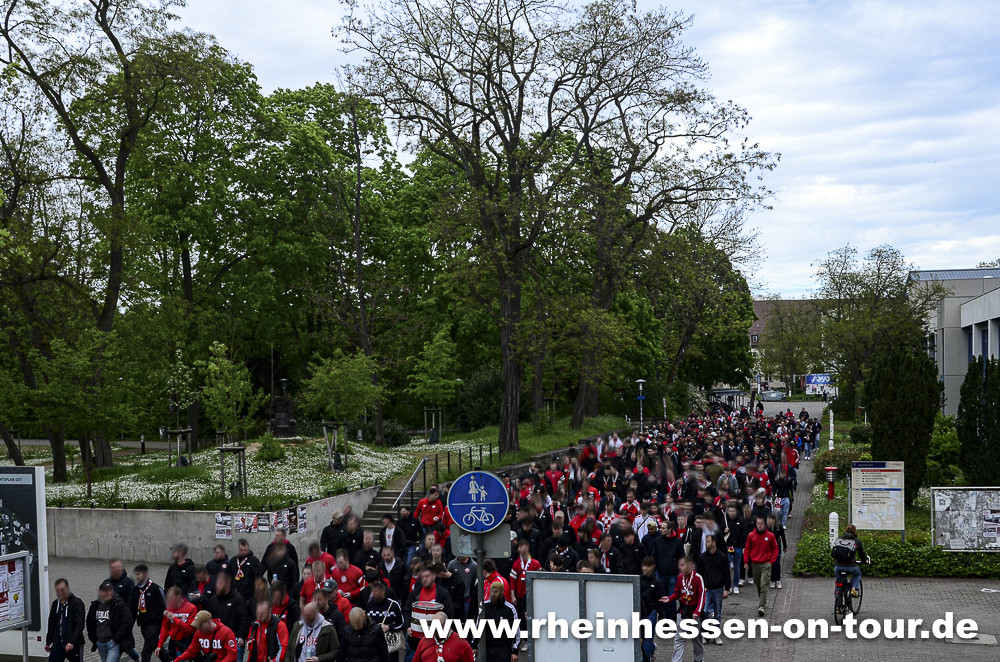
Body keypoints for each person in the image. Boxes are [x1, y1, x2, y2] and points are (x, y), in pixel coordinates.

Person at [658, 556, 704, 662]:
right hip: (682, 612)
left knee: (697, 641)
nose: (680, 567)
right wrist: (669, 599)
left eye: (682, 565)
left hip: (694, 614)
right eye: (680, 565)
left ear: (690, 565)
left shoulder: (698, 578)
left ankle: (699, 660)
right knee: (679, 639)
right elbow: (678, 592)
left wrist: (697, 612)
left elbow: (702, 596)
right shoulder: (680, 578)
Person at [206, 571, 250, 662]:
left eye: (219, 583)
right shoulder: (213, 600)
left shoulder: (238, 600)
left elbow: (244, 619)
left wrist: (241, 636)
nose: (217, 586)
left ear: (227, 584)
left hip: (234, 641)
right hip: (216, 642)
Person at [87, 581, 135, 662]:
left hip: (113, 643)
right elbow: (89, 623)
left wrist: (116, 638)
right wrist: (94, 639)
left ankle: (136, 657)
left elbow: (127, 622)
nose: (108, 593)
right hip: (100, 643)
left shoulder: (119, 605)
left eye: (110, 591)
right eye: (105, 591)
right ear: (100, 592)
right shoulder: (95, 606)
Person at [695, 536, 729, 645]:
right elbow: (699, 574)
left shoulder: (722, 557)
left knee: (717, 613)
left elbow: (726, 573)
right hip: (707, 589)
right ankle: (706, 633)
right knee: (704, 612)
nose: (706, 543)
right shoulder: (702, 557)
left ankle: (716, 634)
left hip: (718, 589)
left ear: (714, 542)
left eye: (708, 541)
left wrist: (727, 588)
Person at [743, 516, 779, 616]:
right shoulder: (751, 535)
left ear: (765, 524)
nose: (759, 525)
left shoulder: (770, 536)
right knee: (758, 584)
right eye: (758, 523)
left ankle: (761, 605)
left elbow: (775, 549)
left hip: (766, 563)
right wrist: (746, 562)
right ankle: (762, 599)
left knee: (764, 585)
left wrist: (771, 561)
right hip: (754, 564)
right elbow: (747, 549)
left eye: (761, 523)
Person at [474, 581, 519, 662]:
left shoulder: (509, 609)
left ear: (502, 592)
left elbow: (516, 631)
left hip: (504, 650)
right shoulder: (484, 607)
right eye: (491, 592)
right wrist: (474, 645)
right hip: (487, 650)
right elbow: (478, 627)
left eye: (496, 592)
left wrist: (515, 651)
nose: (493, 594)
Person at [107, 557, 140, 662]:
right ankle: (136, 657)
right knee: (121, 645)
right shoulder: (107, 583)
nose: (116, 569)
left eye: (118, 567)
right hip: (111, 622)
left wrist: (128, 620)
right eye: (113, 567)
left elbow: (132, 604)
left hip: (124, 621)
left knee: (124, 645)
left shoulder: (128, 583)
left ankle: (136, 657)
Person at [46, 578, 86, 662]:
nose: (60, 593)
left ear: (67, 588)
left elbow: (80, 624)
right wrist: (48, 641)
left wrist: (72, 641)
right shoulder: (55, 604)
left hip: (73, 644)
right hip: (58, 643)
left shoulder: (77, 603)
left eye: (62, 590)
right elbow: (52, 623)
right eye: (58, 590)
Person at [132, 565, 166, 662]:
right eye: (136, 574)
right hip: (144, 623)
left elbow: (164, 606)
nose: (137, 577)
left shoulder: (155, 589)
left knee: (146, 650)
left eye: (139, 574)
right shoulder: (136, 590)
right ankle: (168, 659)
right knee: (155, 645)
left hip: (155, 623)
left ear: (146, 574)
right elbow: (133, 608)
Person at [364, 582, 404, 662]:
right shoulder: (369, 605)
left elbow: (402, 623)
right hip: (374, 643)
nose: (373, 593)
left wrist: (388, 627)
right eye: (373, 591)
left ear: (383, 591)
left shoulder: (393, 605)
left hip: (390, 643)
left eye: (376, 591)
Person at [155, 587, 197, 662]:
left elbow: (189, 629)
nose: (169, 601)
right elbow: (165, 628)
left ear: (178, 596)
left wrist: (174, 619)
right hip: (173, 643)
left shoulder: (191, 608)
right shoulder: (169, 609)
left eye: (172, 598)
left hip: (186, 643)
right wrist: (159, 645)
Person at [832, 524, 870, 599]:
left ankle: (837, 596)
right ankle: (854, 589)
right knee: (857, 574)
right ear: (854, 531)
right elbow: (862, 553)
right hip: (851, 567)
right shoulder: (856, 541)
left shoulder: (839, 539)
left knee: (839, 582)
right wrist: (864, 561)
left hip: (838, 567)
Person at [637, 558, 662, 662]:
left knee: (647, 639)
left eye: (648, 566)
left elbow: (659, 599)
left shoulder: (656, 582)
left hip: (651, 612)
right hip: (639, 612)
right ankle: (652, 647)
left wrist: (661, 613)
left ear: (652, 567)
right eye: (644, 566)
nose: (645, 568)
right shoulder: (639, 580)